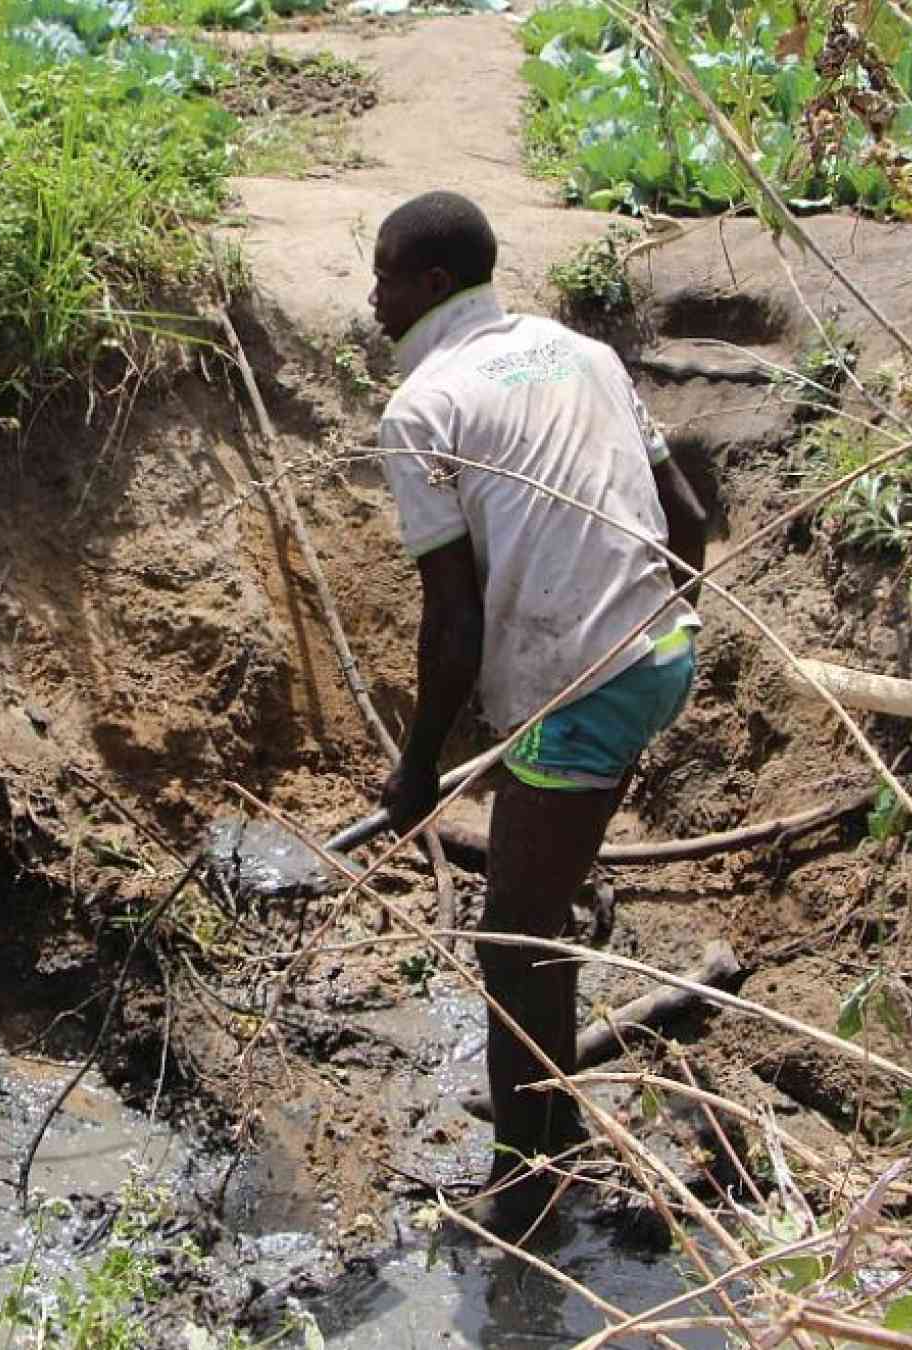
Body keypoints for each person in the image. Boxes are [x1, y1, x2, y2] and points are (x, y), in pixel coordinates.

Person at [366, 190, 706, 1239]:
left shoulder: (421, 408)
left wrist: (417, 769)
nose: (371, 297)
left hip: (585, 685)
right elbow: (690, 520)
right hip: (662, 652)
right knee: (537, 885)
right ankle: (549, 1144)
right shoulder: (581, 352)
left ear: (428, 284)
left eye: (382, 275)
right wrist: (646, 631)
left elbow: (454, 630)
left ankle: (527, 1200)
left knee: (514, 940)